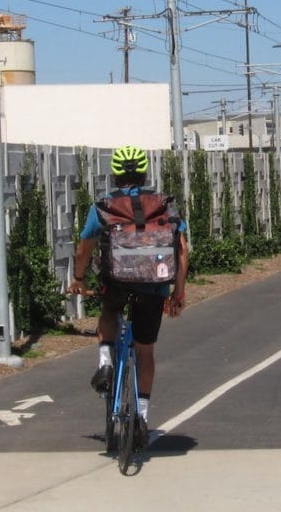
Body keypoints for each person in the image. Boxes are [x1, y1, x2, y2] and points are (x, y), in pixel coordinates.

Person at [68, 145, 189, 447]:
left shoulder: (104, 207)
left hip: (117, 282)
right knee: (145, 350)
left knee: (109, 312)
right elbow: (182, 250)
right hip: (155, 285)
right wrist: (178, 292)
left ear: (115, 174)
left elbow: (85, 248)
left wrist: (79, 279)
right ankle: (142, 417)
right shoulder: (164, 205)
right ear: (146, 172)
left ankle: (106, 360)